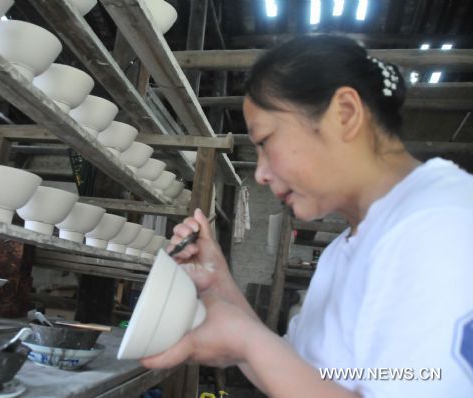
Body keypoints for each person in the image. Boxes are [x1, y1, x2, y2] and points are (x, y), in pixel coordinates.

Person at [141, 36, 473, 397]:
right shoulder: (344, 250)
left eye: (265, 141)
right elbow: (296, 377)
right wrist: (221, 286)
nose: (261, 174)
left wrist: (248, 342)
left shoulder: (443, 225)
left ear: (345, 114)